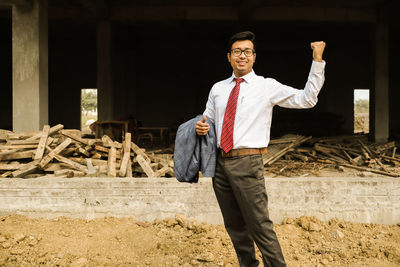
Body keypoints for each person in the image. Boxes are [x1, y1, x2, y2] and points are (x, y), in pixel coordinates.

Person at [196, 31, 326, 267]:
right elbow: (210, 121)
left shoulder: (266, 86)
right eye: (237, 51)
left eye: (247, 51)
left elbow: (307, 99)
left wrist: (317, 61)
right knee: (234, 225)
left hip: (248, 162)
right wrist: (202, 127)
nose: (242, 56)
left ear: (254, 57)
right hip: (220, 164)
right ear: (229, 57)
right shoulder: (218, 89)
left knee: (259, 225)